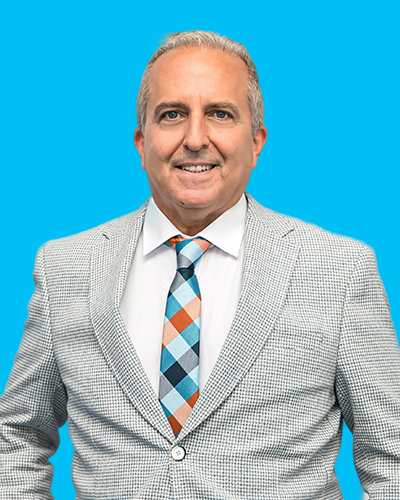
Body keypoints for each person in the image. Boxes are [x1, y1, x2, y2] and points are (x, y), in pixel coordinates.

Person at [0, 30, 399, 500]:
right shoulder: (64, 267)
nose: (194, 139)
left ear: (256, 141)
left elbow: (391, 455)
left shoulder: (340, 269)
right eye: (172, 114)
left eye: (219, 114)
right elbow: (18, 436)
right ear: (141, 141)